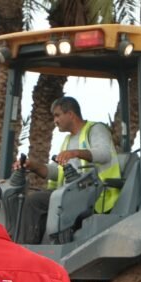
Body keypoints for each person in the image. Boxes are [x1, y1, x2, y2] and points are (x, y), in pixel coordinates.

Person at [16, 96, 121, 244]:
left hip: (97, 195)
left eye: (57, 115)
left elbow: (104, 154)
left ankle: (25, 250)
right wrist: (34, 166)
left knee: (35, 202)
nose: (55, 121)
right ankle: (32, 247)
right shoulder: (67, 141)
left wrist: (75, 153)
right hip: (70, 193)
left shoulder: (95, 129)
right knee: (32, 200)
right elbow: (57, 172)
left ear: (70, 114)